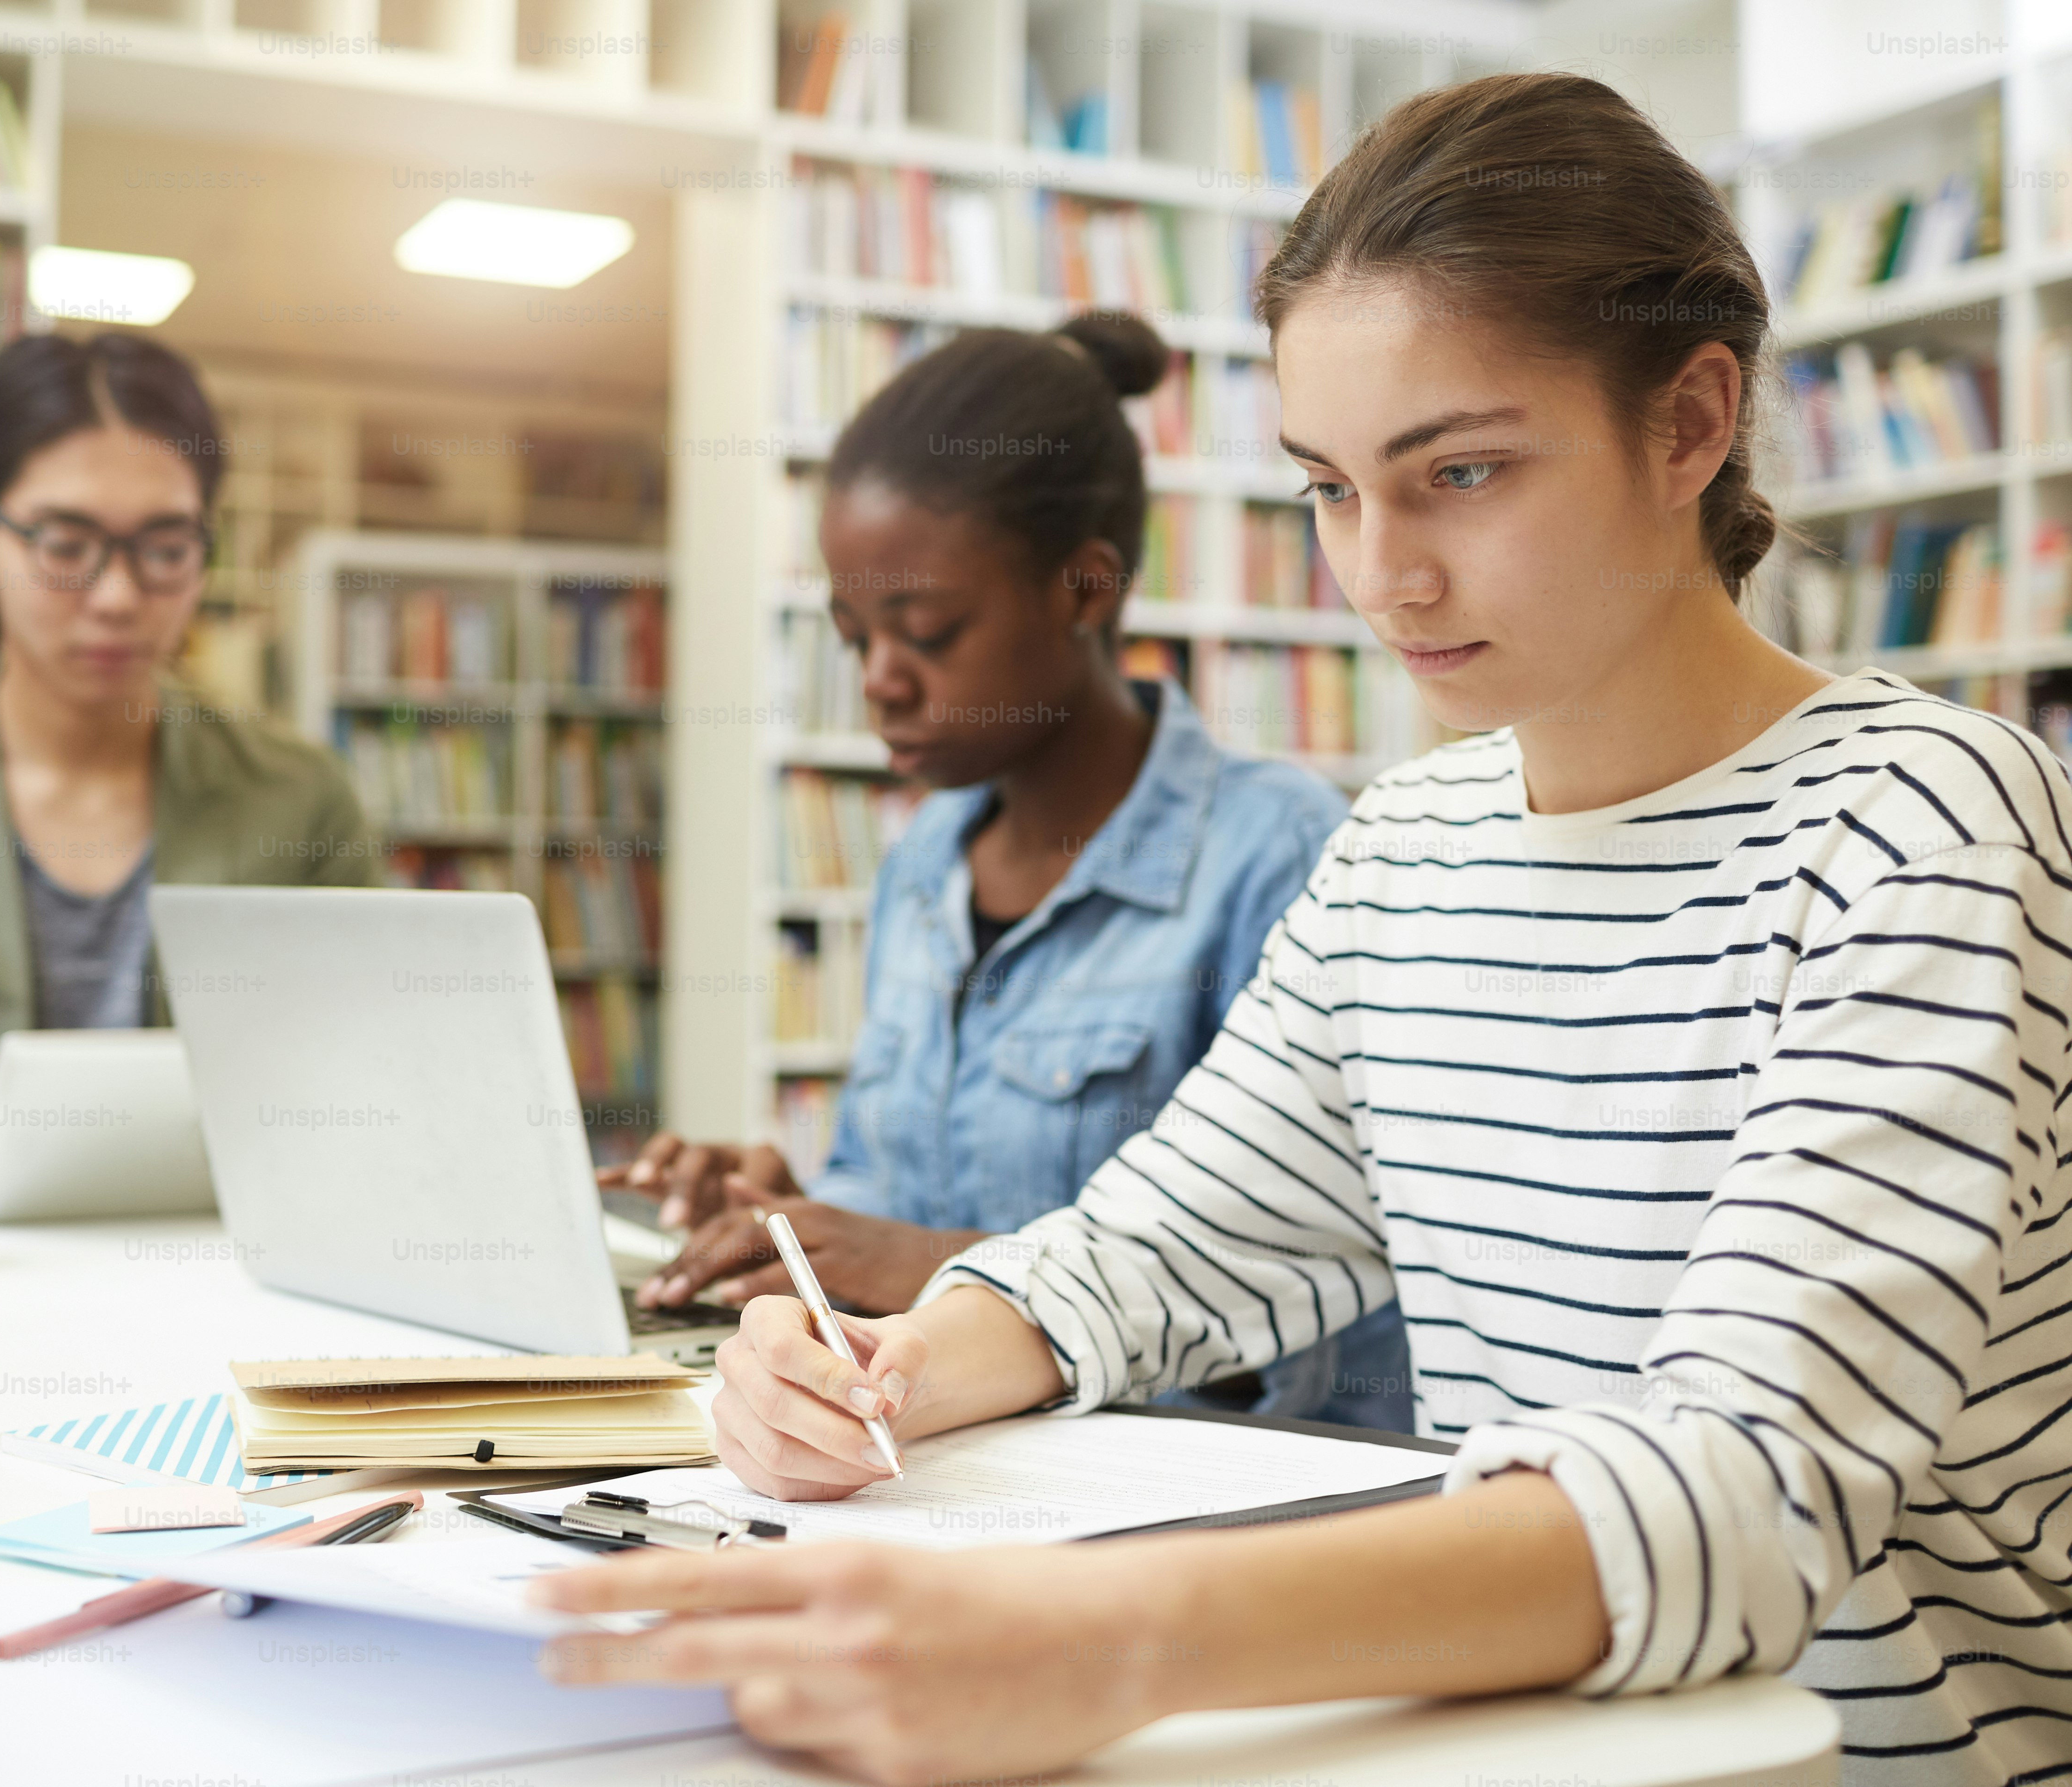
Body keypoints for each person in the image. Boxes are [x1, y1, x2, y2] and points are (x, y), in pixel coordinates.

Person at [528, 72, 2072, 1787]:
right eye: (1329, 490)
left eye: (1461, 473)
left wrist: (1116, 1636)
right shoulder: (1407, 847)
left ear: (1691, 424)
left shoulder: (1925, 822)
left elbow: (1746, 1490)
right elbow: (1150, 1256)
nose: (1382, 575)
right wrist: (878, 1366)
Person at [607, 311, 1409, 1430]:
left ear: (1085, 589)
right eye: (853, 638)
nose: (879, 681)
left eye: (925, 630)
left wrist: (929, 1267)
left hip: (1169, 1517)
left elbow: (1330, 1328)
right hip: (921, 1459)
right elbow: (893, 1202)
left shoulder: (1274, 857)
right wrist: (795, 1221)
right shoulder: (926, 864)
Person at [0, 333, 373, 1216]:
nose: (119, 595)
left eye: (166, 546)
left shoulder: (301, 799)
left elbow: (367, 1115)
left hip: (232, 1311)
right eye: (66, 542)